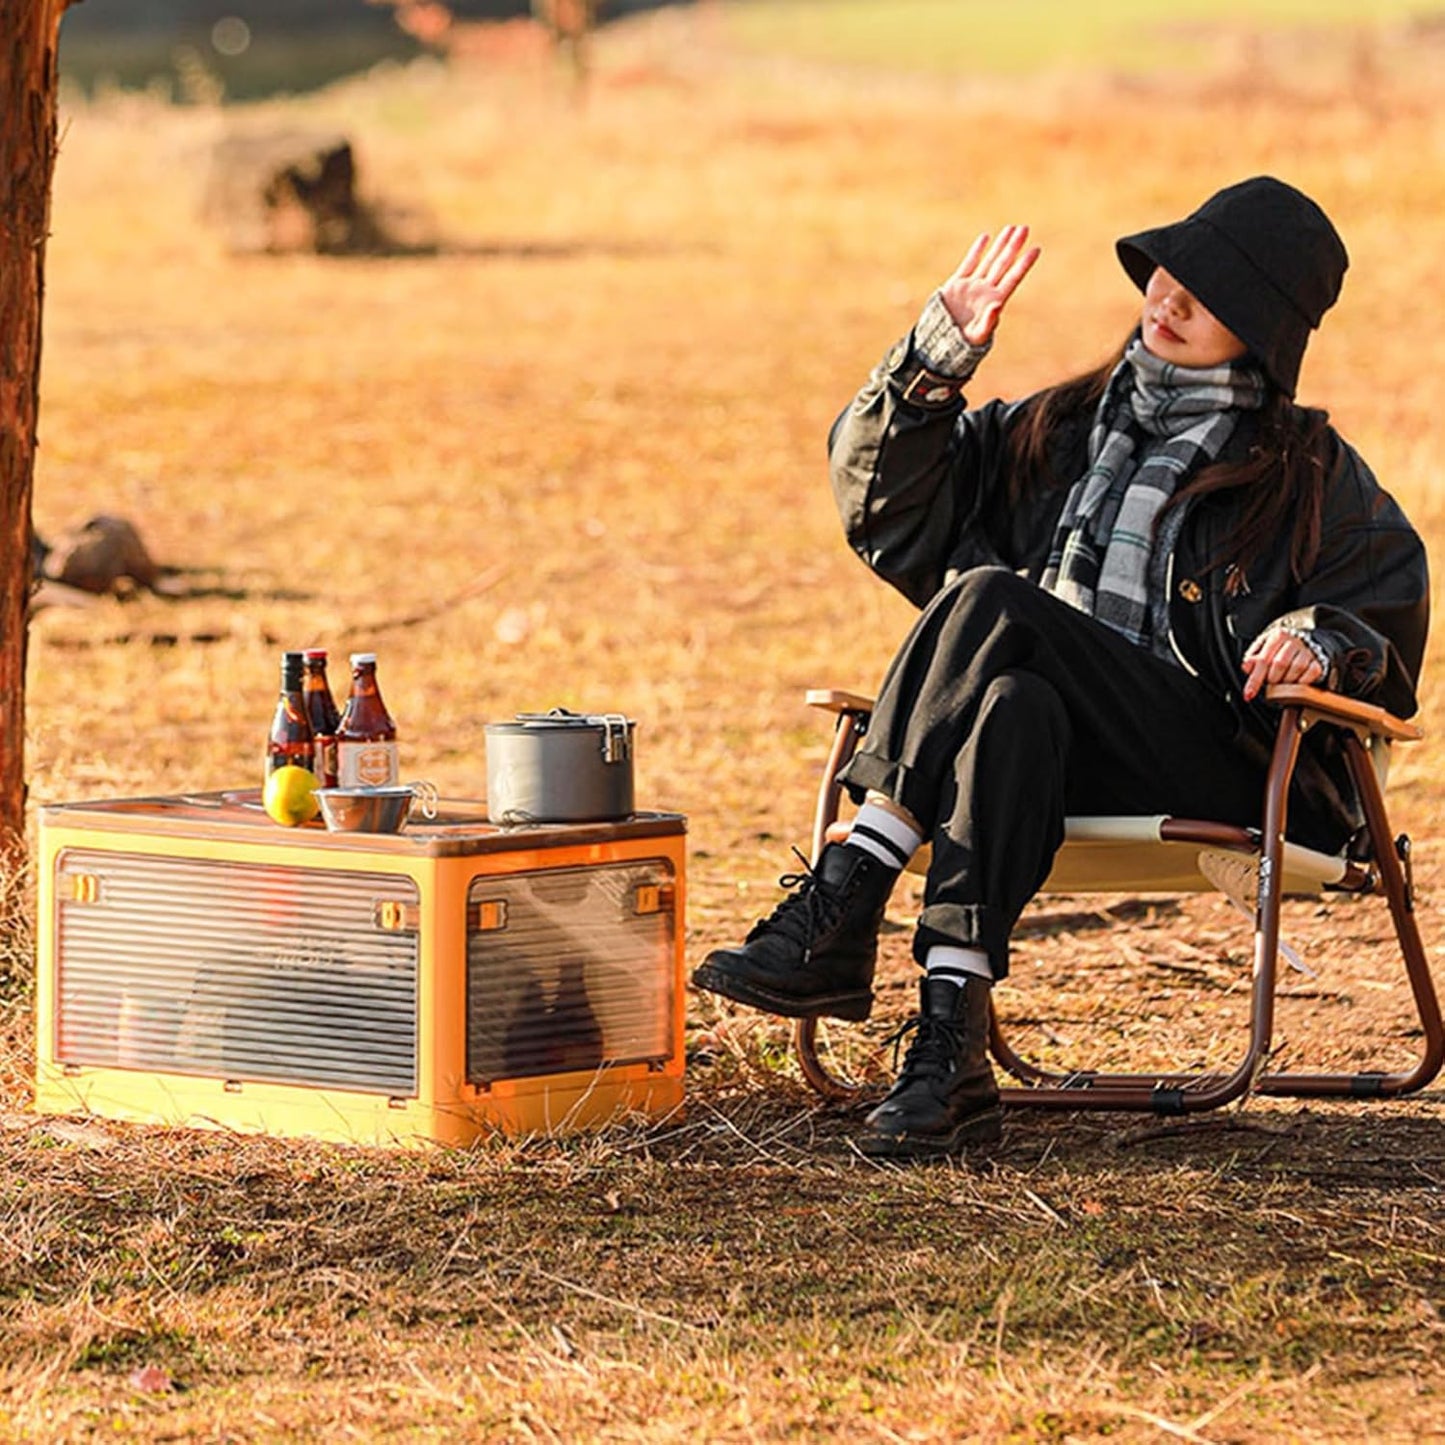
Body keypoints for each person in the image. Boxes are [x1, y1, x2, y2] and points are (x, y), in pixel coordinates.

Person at [692, 176, 1429, 1160]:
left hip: (1222, 761)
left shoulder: (1306, 471)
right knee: (1010, 702)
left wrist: (1317, 634)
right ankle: (949, 1051)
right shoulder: (1055, 427)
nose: (1167, 298)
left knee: (993, 598)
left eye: (1206, 293)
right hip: (1059, 759)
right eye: (1166, 271)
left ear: (1259, 330)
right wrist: (930, 364)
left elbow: (1381, 603)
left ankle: (847, 889)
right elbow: (889, 514)